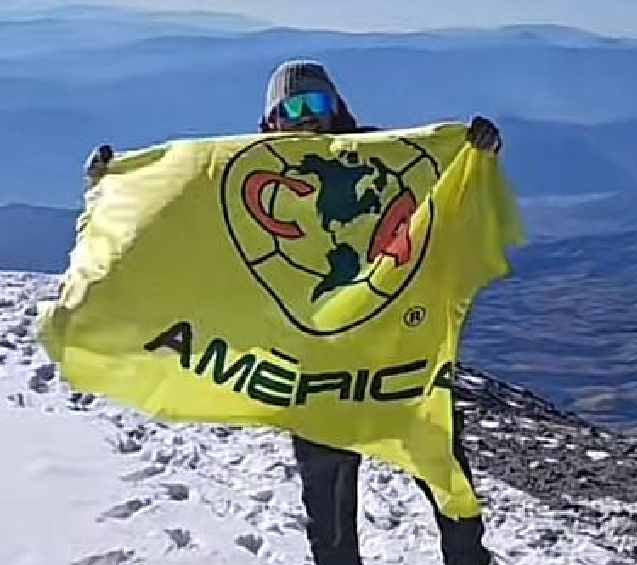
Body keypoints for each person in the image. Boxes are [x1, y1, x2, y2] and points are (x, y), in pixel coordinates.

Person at [85, 59, 502, 565]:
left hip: (395, 365)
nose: (307, 118)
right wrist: (115, 187)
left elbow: (442, 197)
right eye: (293, 108)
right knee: (328, 523)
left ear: (338, 109)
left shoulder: (382, 164)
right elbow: (178, 231)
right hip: (317, 377)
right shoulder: (239, 185)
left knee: (446, 481)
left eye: (318, 104)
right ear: (271, 122)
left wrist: (475, 153)